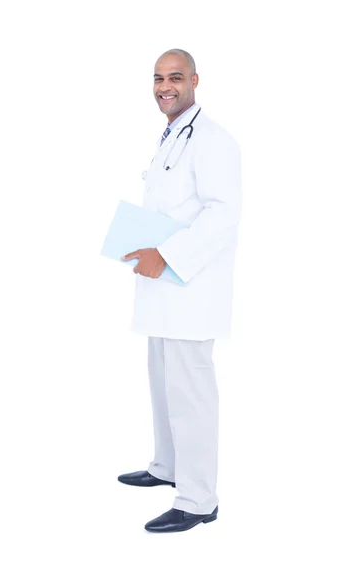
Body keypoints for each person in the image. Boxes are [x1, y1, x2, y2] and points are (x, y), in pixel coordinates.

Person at [119, 49, 242, 533]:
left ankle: (197, 499)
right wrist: (142, 246)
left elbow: (222, 214)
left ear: (194, 80)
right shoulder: (172, 133)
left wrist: (166, 256)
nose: (164, 86)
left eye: (174, 77)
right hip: (164, 289)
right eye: (157, 78)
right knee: (162, 384)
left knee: (190, 392)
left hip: (192, 289)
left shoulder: (213, 140)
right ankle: (167, 467)